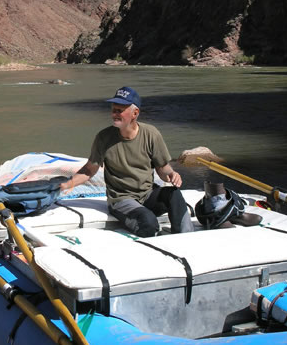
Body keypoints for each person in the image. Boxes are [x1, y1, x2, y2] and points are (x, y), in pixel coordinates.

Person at [59, 86, 193, 237]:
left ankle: (185, 238)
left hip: (148, 194)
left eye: (119, 110)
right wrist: (68, 184)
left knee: (173, 194)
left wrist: (172, 173)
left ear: (135, 113)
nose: (114, 114)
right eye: (113, 109)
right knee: (148, 223)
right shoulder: (104, 138)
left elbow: (163, 168)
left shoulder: (151, 134)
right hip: (121, 200)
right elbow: (90, 170)